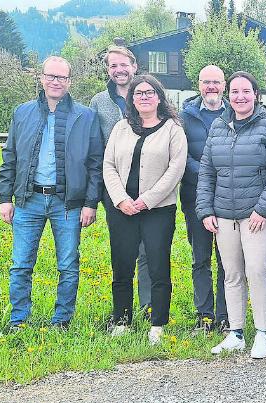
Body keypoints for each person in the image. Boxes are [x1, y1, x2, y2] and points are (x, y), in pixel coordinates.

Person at [0, 56, 103, 330]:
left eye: (62, 77)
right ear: (42, 78)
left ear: (69, 81)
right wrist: (5, 198)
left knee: (68, 265)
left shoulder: (86, 116)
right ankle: (18, 319)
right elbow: (10, 157)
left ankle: (61, 320)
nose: (56, 82)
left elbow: (95, 162)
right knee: (21, 264)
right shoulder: (22, 113)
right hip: (28, 200)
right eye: (51, 76)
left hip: (67, 203)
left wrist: (91, 203)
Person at [196, 71, 266, 359]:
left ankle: (262, 332)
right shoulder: (219, 126)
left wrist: (263, 209)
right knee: (232, 274)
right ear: (229, 94)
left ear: (256, 94)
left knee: (256, 270)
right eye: (235, 91)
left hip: (258, 216)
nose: (240, 97)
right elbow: (207, 171)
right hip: (224, 216)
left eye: (246, 91)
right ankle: (236, 332)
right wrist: (205, 209)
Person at [102, 75, 187, 345]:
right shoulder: (121, 128)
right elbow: (108, 165)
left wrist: (147, 200)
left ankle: (158, 324)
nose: (144, 97)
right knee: (122, 265)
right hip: (122, 208)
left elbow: (176, 169)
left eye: (150, 92)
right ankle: (122, 320)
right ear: (132, 99)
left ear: (159, 97)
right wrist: (120, 199)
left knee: (158, 266)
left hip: (158, 210)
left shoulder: (173, 129)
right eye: (139, 93)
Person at [89, 45, 152, 314]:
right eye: (113, 66)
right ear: (108, 70)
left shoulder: (150, 96)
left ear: (134, 66)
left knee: (149, 250)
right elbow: (95, 149)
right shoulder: (98, 102)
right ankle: (123, 311)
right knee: (123, 248)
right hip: (113, 188)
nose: (119, 70)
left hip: (148, 186)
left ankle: (149, 306)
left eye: (123, 64)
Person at [180, 65, 230, 333]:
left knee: (227, 259)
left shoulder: (233, 112)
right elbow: (180, 154)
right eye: (206, 82)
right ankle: (204, 314)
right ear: (198, 84)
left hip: (228, 199)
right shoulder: (185, 116)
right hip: (194, 197)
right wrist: (207, 174)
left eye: (216, 82)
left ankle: (225, 313)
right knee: (200, 257)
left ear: (223, 85)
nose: (211, 87)